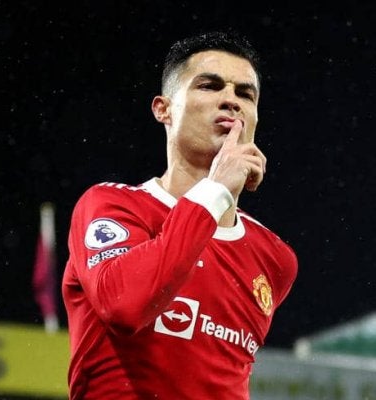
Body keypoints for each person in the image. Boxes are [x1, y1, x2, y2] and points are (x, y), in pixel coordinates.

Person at [61, 31, 298, 399]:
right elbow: (125, 307)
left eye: (245, 94)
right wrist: (215, 191)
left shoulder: (275, 258)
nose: (231, 101)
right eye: (209, 86)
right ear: (164, 109)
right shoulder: (112, 207)